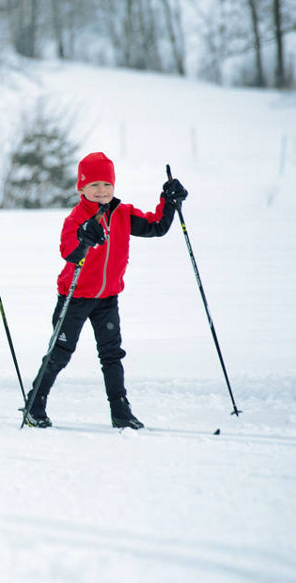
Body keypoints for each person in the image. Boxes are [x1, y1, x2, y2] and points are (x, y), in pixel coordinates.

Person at [24, 152, 187, 429]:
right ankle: (35, 403)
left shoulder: (123, 214)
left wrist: (169, 202)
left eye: (107, 185)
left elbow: (156, 227)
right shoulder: (76, 219)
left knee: (111, 354)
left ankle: (120, 411)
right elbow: (69, 252)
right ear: (82, 188)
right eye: (95, 185)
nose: (102, 191)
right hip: (74, 297)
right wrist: (85, 238)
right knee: (60, 351)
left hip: (107, 298)